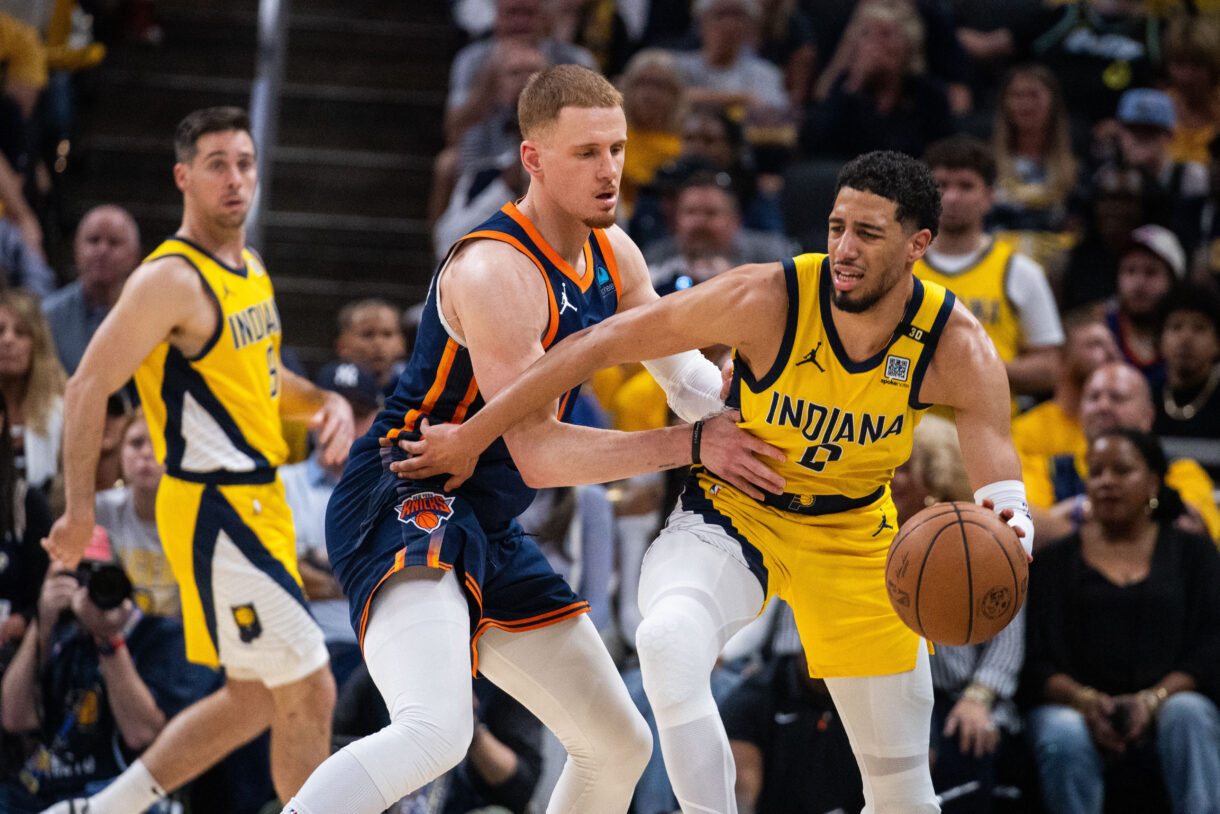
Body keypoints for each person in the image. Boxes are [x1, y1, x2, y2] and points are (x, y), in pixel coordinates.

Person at [401, 149, 1035, 813]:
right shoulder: (769, 297)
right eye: (836, 227)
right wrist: (474, 434)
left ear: (918, 245)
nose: (845, 248)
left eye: (869, 234)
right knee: (666, 642)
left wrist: (1010, 530)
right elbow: (600, 344)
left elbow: (1001, 483)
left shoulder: (954, 342)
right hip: (738, 513)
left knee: (903, 792)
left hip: (852, 535)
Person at [281, 64, 782, 814]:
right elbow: (541, 454)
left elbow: (686, 384)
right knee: (435, 731)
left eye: (616, 148)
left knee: (619, 742)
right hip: (405, 493)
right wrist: (692, 448)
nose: (610, 169)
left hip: (484, 515)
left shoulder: (618, 255)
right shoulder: (493, 269)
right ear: (533, 158)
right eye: (586, 152)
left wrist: (765, 422)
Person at [38, 106, 356, 814]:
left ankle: (101, 810)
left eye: (244, 162)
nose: (236, 178)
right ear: (184, 177)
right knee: (310, 683)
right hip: (214, 508)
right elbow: (89, 382)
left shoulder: (250, 268)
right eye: (217, 165)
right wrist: (80, 508)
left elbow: (264, 383)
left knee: (252, 698)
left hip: (258, 500)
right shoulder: (169, 279)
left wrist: (322, 405)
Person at [1022, 429, 1220, 814]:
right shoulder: (1055, 560)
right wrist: (1085, 701)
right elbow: (1035, 660)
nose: (1106, 481)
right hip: (1075, 706)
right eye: (1095, 472)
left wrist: (1154, 699)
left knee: (1189, 714)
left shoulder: (1194, 553)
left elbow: (1213, 645)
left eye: (1122, 470)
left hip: (1172, 700)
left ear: (1154, 481)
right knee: (1063, 732)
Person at [0, 545, 218, 813]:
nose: (89, 590)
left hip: (120, 791)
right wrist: (42, 622)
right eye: (78, 577)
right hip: (40, 791)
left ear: (123, 578)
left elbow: (142, 736)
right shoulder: (60, 633)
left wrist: (109, 639)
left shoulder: (162, 637)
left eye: (101, 576)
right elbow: (13, 718)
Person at [892, 415, 1026, 813]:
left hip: (962, 692)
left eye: (904, 468)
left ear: (937, 475)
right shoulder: (869, 534)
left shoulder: (983, 541)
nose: (892, 479)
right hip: (892, 689)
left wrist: (979, 698)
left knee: (968, 735)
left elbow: (1009, 636)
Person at [916, 135, 1065, 398]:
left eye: (966, 186)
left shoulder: (1020, 271)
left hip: (990, 429)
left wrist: (978, 369)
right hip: (907, 430)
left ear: (989, 197)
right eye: (941, 185)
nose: (951, 197)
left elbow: (1050, 368)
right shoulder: (898, 265)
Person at [1022, 361, 1220, 543]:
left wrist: (1075, 513)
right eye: (1093, 397)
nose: (1103, 406)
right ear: (1081, 411)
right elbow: (1024, 529)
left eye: (1117, 397)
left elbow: (1189, 531)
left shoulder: (1180, 471)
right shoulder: (1046, 469)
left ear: (1147, 415)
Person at [279, 360, 383, 688]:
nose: (346, 424)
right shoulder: (278, 485)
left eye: (359, 413)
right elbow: (278, 574)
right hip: (298, 649)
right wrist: (357, 577)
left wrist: (313, 565)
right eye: (335, 410)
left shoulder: (394, 490)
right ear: (309, 418)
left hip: (377, 653)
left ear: (378, 420)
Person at [94, 408, 178, 619]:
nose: (147, 453)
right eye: (136, 443)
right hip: (116, 627)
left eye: (157, 444)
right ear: (120, 453)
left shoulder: (195, 516)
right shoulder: (101, 509)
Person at [42, 205, 142, 376]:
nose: (102, 251)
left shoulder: (151, 315)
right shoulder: (47, 317)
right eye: (93, 240)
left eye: (114, 242)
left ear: (134, 255)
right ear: (76, 249)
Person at [0, 288, 65, 495]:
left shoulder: (63, 410)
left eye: (21, 332)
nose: (8, 340)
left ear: (37, 343)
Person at [1153, 281, 1220, 444]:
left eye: (1199, 328)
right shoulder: (1146, 399)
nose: (1186, 339)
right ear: (1159, 341)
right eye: (1176, 327)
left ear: (1217, 344)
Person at [332, 298, 408, 394]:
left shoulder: (419, 386)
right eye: (367, 334)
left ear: (401, 343)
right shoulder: (331, 387)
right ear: (342, 345)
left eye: (387, 334)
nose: (378, 343)